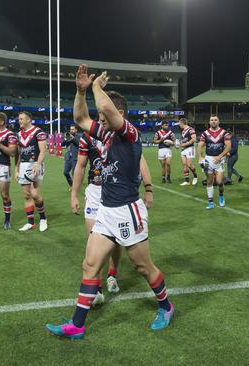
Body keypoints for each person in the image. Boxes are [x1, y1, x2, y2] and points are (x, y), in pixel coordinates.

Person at [46, 64, 172, 340]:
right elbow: (80, 119)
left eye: (103, 116)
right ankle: (77, 325)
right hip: (105, 211)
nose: (99, 120)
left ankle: (166, 306)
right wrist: (80, 91)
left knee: (143, 267)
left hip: (128, 211)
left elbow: (107, 111)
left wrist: (95, 87)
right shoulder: (105, 135)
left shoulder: (130, 134)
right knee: (90, 266)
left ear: (119, 114)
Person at [71, 132, 155, 304]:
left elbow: (140, 159)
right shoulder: (87, 136)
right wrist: (74, 194)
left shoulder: (125, 132)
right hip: (95, 192)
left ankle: (112, 274)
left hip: (118, 191)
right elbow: (80, 165)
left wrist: (148, 188)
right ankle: (97, 289)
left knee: (116, 240)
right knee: (94, 241)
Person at [15, 111, 48, 232]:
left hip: (35, 164)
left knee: (35, 194)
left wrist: (38, 164)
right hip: (23, 165)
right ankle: (30, 222)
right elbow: (18, 154)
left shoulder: (38, 132)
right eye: (19, 119)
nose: (19, 121)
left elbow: (43, 150)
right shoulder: (18, 134)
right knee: (26, 195)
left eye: (21, 119)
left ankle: (43, 219)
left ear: (28, 119)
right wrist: (16, 169)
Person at [198, 115, 231, 209]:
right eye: (212, 120)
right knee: (209, 181)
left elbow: (228, 146)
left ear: (218, 121)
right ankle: (210, 202)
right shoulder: (205, 133)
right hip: (208, 159)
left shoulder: (224, 133)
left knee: (219, 182)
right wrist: (200, 157)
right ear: (209, 122)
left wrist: (220, 156)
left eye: (215, 120)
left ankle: (221, 195)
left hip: (219, 160)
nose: (213, 121)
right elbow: (200, 145)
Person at [177, 118, 198, 186]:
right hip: (183, 149)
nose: (179, 125)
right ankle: (187, 180)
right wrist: (179, 144)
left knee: (189, 165)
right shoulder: (183, 131)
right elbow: (184, 140)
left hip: (189, 148)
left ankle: (195, 176)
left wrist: (184, 144)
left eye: (179, 124)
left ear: (182, 123)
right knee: (184, 164)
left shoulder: (191, 129)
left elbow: (194, 139)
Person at [62, 125, 80, 190]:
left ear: (76, 130)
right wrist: (65, 138)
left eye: (73, 129)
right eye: (70, 129)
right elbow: (62, 144)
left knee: (74, 174)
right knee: (65, 172)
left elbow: (78, 144)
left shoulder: (78, 137)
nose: (71, 130)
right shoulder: (68, 137)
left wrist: (72, 138)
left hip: (75, 158)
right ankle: (71, 184)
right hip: (68, 157)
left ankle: (75, 187)